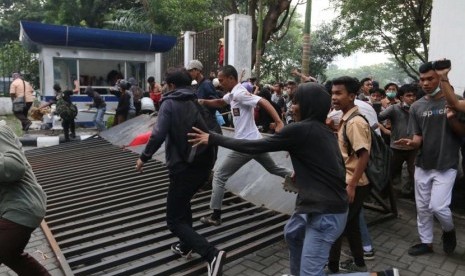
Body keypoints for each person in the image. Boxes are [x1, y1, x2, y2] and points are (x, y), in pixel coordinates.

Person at [189, 83, 400, 276]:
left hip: (326, 212)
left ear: (307, 106)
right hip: (320, 206)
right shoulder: (323, 130)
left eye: (296, 102)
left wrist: (213, 138)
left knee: (312, 274)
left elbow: (254, 146)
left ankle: (376, 275)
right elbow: (333, 166)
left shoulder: (302, 130)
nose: (291, 107)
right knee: (292, 233)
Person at [135, 67, 226, 276]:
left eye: (166, 84)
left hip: (184, 166)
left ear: (172, 86)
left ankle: (212, 254)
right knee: (183, 203)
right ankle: (186, 245)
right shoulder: (195, 100)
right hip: (203, 164)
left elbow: (158, 134)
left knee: (174, 220)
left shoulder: (170, 102)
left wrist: (143, 158)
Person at [196, 65, 292, 226]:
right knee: (274, 168)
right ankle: (299, 177)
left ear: (231, 79)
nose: (219, 84)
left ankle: (215, 215)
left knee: (219, 175)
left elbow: (262, 101)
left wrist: (279, 121)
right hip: (256, 142)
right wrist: (202, 101)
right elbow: (220, 102)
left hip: (245, 145)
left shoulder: (240, 93)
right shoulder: (232, 94)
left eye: (221, 80)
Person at [395, 61, 465, 256]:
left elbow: (462, 133)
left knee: (438, 206)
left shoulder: (455, 101)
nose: (425, 83)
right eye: (422, 79)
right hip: (423, 164)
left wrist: (451, 118)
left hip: (446, 164)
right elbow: (418, 137)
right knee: (423, 208)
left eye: (430, 79)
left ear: (439, 78)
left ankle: (449, 230)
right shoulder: (417, 106)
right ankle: (427, 242)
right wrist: (411, 144)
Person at [328, 76, 372, 273]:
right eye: (333, 93)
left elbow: (364, 156)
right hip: (351, 181)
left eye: (339, 93)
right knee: (351, 224)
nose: (334, 97)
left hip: (353, 183)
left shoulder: (354, 122)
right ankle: (359, 263)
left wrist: (352, 185)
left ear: (352, 96)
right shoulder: (346, 118)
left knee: (336, 227)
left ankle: (332, 267)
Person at [0, 121, 49, 276]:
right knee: (11, 256)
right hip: (13, 207)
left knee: (9, 254)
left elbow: (15, 167)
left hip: (21, 206)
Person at [378, 84, 417, 198]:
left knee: (415, 173)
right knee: (390, 172)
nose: (412, 98)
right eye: (408, 95)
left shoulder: (418, 108)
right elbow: (378, 118)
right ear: (401, 97)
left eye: (414, 95)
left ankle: (417, 197)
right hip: (397, 147)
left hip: (413, 147)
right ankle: (382, 195)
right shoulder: (394, 108)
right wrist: (384, 129)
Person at [187, 60, 222, 134]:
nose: (189, 73)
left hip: (209, 126)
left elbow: (216, 103)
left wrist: (202, 104)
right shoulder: (198, 85)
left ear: (198, 70)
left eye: (191, 70)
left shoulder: (207, 84)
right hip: (202, 125)